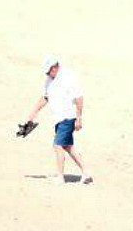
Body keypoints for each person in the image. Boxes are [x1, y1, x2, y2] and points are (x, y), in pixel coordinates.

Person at [25, 56, 92, 185]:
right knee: (67, 146)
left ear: (54, 68)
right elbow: (45, 97)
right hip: (58, 118)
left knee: (57, 145)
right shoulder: (49, 79)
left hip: (68, 116)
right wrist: (33, 113)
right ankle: (86, 172)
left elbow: (79, 98)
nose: (47, 74)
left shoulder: (68, 77)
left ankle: (60, 177)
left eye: (48, 71)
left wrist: (79, 118)